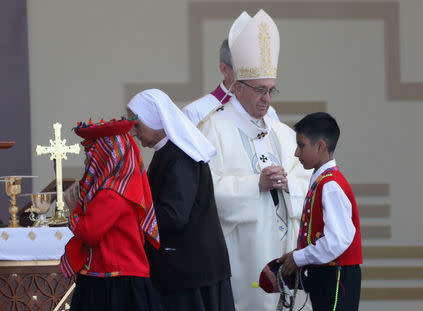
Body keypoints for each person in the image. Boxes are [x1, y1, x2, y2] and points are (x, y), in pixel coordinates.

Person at [198, 10, 311, 311]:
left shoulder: (284, 134)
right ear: (238, 88)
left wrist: (290, 186)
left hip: (287, 253)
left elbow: (309, 185)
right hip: (243, 255)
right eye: (260, 90)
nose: (267, 99)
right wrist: (255, 185)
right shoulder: (213, 130)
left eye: (270, 90)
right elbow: (205, 194)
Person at [127, 89, 235, 311]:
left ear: (155, 119)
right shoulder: (168, 152)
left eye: (138, 125)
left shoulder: (180, 157)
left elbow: (174, 215)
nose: (134, 132)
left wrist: (132, 214)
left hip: (190, 270)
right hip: (188, 267)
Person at [59, 117, 162, 311]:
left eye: (92, 152)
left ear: (107, 156)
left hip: (116, 282)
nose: (87, 159)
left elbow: (89, 233)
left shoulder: (112, 193)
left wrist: (74, 211)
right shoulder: (119, 187)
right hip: (112, 277)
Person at [278, 112, 363, 311]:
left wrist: (300, 257)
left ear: (320, 146)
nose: (296, 153)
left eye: (301, 145)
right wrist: (298, 255)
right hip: (326, 274)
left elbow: (337, 240)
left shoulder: (331, 185)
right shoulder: (321, 180)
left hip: (336, 276)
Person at [182, 39, 279, 126]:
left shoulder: (268, 113)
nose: (251, 77)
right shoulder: (196, 112)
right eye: (243, 71)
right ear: (224, 69)